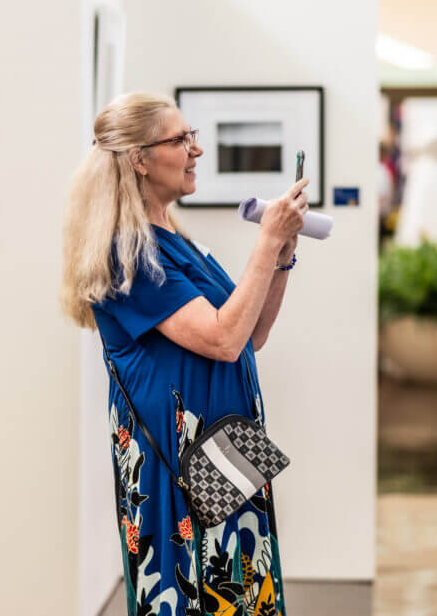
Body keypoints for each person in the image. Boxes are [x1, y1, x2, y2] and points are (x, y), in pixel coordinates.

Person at [61, 93, 306, 616]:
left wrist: (281, 256)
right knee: (190, 593)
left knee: (239, 592)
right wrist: (265, 244)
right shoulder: (128, 253)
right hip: (176, 464)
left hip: (224, 449)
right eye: (180, 139)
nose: (196, 149)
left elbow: (251, 333)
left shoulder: (177, 239)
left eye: (192, 135)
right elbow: (222, 338)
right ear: (139, 159)